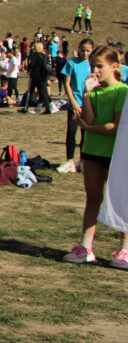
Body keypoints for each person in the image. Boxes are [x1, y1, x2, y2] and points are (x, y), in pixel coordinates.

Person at [63, 46, 128, 268]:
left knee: (121, 200)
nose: (94, 71)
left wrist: (89, 128)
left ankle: (125, 250)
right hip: (92, 151)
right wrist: (87, 95)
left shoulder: (122, 91)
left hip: (116, 154)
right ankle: (86, 247)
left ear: (114, 66)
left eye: (99, 66)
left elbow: (114, 126)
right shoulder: (94, 92)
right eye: (92, 66)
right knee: (92, 199)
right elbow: (89, 118)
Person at [59, 39, 94, 173]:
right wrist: (73, 102)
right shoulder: (72, 63)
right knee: (72, 131)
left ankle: (83, 161)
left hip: (89, 104)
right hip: (75, 103)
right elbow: (67, 84)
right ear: (79, 49)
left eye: (88, 51)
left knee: (86, 133)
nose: (85, 53)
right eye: (83, 50)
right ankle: (70, 160)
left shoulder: (93, 65)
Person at [22, 41, 52, 114]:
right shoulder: (44, 56)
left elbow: (31, 65)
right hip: (43, 77)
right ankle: (48, 108)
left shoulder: (34, 56)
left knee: (31, 92)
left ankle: (26, 108)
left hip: (35, 76)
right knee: (43, 92)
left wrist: (28, 69)